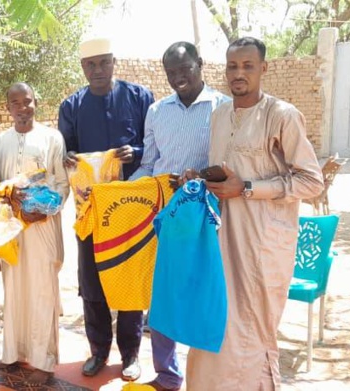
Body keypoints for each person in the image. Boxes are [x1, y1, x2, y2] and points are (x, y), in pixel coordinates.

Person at [182, 37, 324, 390]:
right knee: (216, 325)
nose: (238, 73)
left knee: (251, 334)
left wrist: (246, 188)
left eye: (247, 66)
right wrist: (200, 177)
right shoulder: (218, 116)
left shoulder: (282, 116)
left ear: (264, 68)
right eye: (232, 66)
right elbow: (228, 170)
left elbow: (311, 181)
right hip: (221, 239)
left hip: (263, 245)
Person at [128, 42, 230, 391]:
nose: (177, 78)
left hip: (206, 220)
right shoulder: (157, 111)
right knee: (164, 296)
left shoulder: (222, 108)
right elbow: (147, 165)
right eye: (171, 72)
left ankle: (207, 377)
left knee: (204, 293)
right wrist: (117, 192)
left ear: (200, 64)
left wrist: (199, 175)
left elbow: (229, 167)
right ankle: (168, 375)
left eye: (184, 69)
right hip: (166, 219)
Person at [58, 37, 154, 380]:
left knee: (129, 278)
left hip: (131, 209)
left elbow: (154, 146)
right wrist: (68, 158)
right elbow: (65, 154)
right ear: (83, 67)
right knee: (93, 282)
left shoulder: (140, 98)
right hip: (92, 211)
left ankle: (130, 354)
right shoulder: (71, 106)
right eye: (90, 64)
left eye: (103, 62)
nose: (97, 70)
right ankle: (98, 351)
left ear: (114, 61)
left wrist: (137, 153)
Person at [0, 82, 70, 386]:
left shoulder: (52, 137)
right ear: (8, 107)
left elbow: (62, 184)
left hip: (42, 227)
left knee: (41, 291)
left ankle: (43, 360)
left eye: (27, 102)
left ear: (35, 102)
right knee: (13, 288)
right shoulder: (0, 142)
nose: (22, 108)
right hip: (12, 228)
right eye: (16, 103)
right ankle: (13, 352)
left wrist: (44, 210)